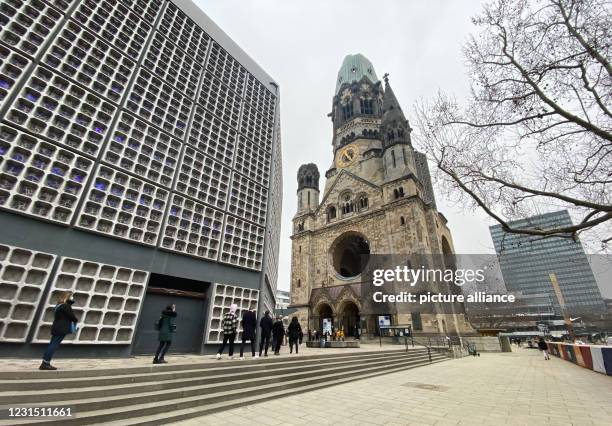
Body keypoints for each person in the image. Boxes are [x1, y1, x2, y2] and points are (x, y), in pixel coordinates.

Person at [40, 292, 78, 370]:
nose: (73, 298)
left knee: (52, 344)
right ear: (68, 297)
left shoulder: (58, 306)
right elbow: (73, 317)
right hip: (62, 328)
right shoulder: (66, 306)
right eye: (72, 297)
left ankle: (44, 362)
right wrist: (75, 319)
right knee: (54, 345)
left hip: (56, 327)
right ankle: (45, 363)